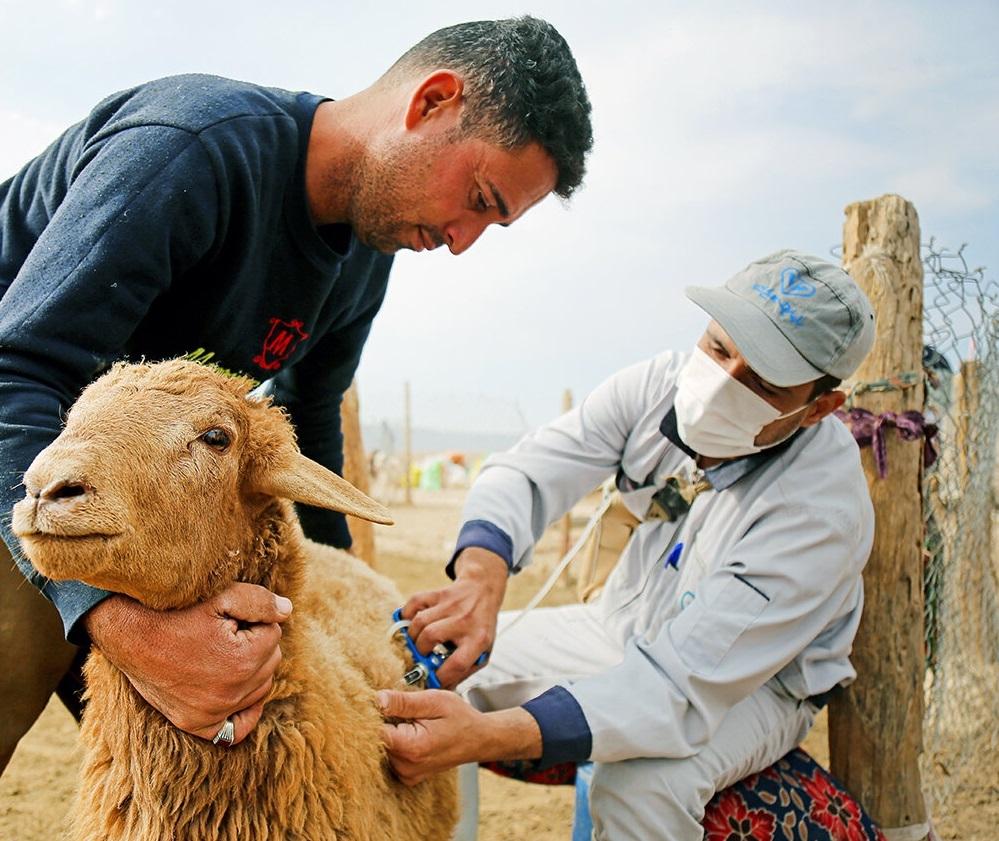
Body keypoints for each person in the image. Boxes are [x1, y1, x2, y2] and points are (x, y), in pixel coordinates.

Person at [0, 16, 593, 772]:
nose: (462, 241)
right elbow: (16, 367)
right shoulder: (192, 148)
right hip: (16, 448)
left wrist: (352, 610)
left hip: (130, 508)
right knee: (21, 660)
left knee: (217, 756)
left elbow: (307, 420)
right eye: (478, 197)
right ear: (433, 101)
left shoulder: (365, 258)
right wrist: (117, 621)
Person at [381, 249, 877, 840]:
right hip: (617, 625)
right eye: (719, 348)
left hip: (751, 685)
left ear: (819, 407)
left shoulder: (818, 513)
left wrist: (488, 734)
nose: (723, 384)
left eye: (764, 383)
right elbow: (525, 473)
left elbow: (677, 687)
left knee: (640, 785)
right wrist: (478, 585)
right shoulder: (654, 388)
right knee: (422, 667)